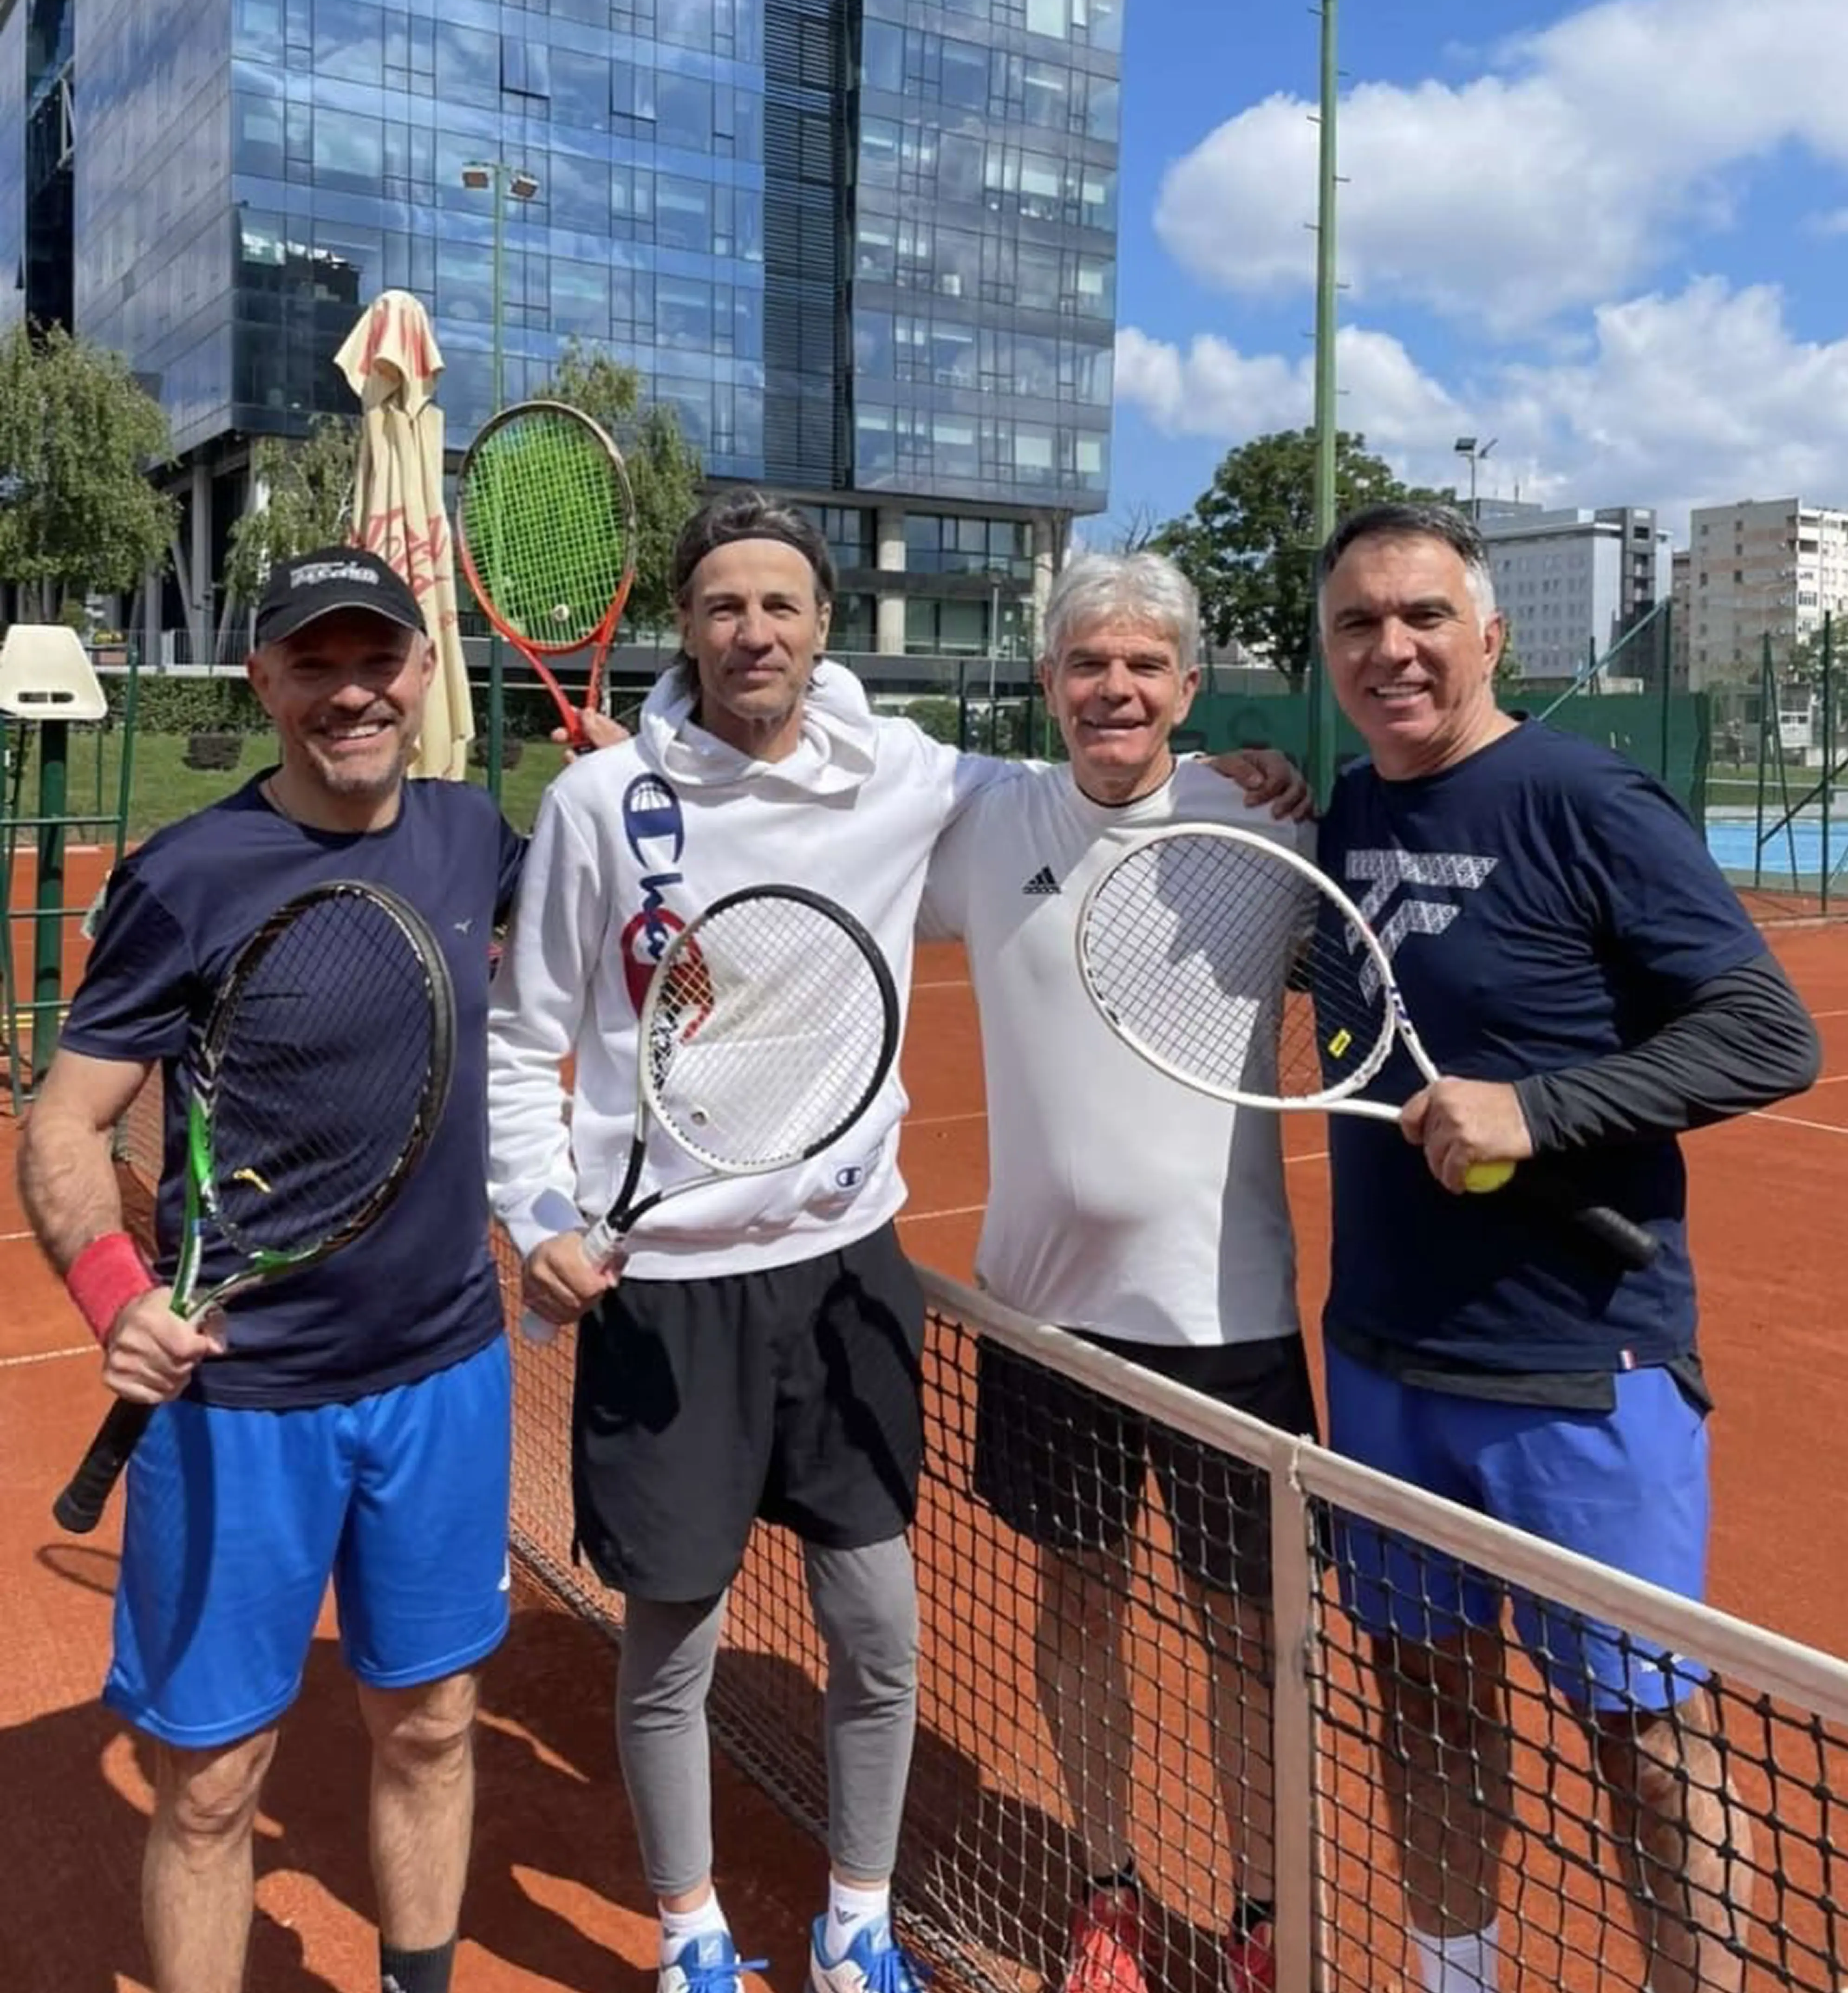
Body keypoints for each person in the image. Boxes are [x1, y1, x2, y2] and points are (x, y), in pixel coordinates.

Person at [487, 492, 1306, 1993]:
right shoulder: (623, 808)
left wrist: (1255, 774)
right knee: (693, 1641)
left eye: (782, 605)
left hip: (886, 1278)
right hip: (711, 1293)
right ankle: (712, 1939)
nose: (754, 631)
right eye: (726, 605)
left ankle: (904, 1923)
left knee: (916, 1633)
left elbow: (1109, 791)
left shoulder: (948, 781)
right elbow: (523, 1032)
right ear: (688, 622)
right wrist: (539, 1215)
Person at [1311, 501, 1822, 1993]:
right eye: (1356, 623)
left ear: (1490, 633)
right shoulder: (1339, 814)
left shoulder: (1584, 797)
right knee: (1422, 1698)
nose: (1390, 648)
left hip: (1579, 1367)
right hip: (1386, 1361)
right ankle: (1452, 1976)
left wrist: (1536, 1111)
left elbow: (1764, 1030)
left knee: (1648, 1742)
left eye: (1419, 616)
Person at [20, 547, 526, 1993]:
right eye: (315, 663)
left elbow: (630, 944)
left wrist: (631, 795)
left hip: (443, 1372)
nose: (351, 691)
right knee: (215, 1779)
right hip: (239, 1405)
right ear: (266, 682)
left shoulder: (472, 833)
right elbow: (63, 1122)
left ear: (423, 674)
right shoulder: (187, 878)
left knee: (430, 1723)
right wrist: (117, 1297)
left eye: (379, 660)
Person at [917, 551, 1318, 1993]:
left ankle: (1265, 1912)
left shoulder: (1264, 822)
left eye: (1146, 665)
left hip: (1232, 1321)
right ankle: (1109, 1889)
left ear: (1189, 688)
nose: (1116, 688)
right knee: (1076, 1603)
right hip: (1044, 1320)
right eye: (1089, 663)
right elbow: (806, 803)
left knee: (1243, 1631)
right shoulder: (979, 823)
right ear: (1047, 684)